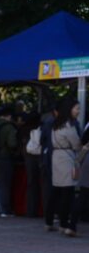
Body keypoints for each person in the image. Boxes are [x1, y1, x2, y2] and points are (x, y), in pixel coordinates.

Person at [47, 95, 82, 236]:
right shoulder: (69, 126)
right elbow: (77, 145)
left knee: (57, 192)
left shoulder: (55, 124)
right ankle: (64, 223)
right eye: (77, 108)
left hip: (57, 158)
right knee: (68, 194)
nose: (78, 111)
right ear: (69, 109)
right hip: (67, 159)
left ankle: (51, 221)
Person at [22, 111, 43, 218]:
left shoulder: (23, 129)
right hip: (40, 156)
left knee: (31, 184)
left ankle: (30, 210)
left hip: (28, 157)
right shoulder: (42, 128)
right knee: (43, 183)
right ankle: (44, 210)